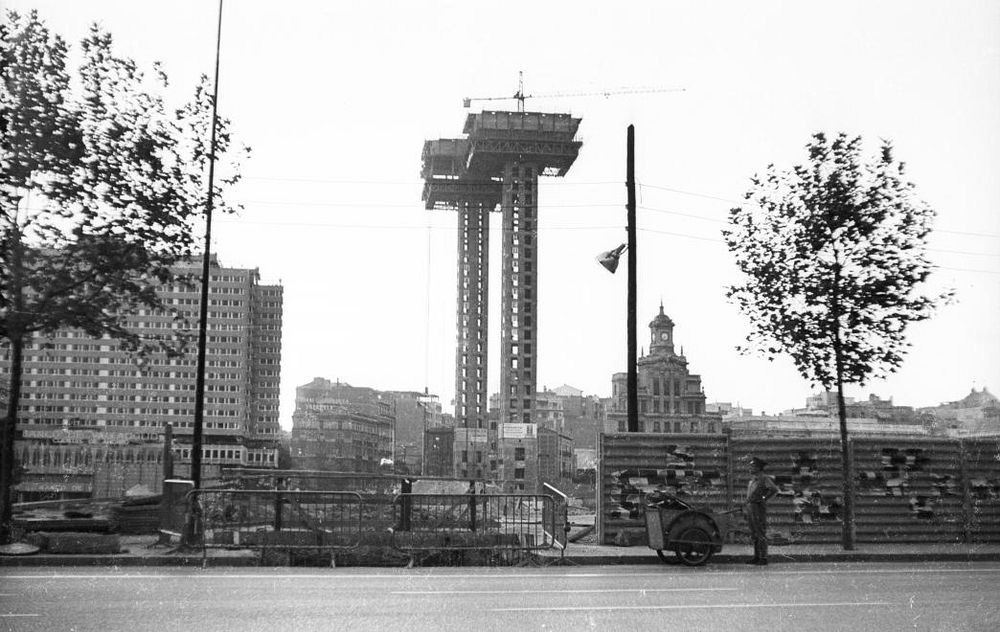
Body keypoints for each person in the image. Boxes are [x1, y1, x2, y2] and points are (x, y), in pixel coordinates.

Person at [745, 456, 779, 565]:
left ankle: (763, 558)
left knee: (760, 533)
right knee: (754, 533)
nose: (750, 467)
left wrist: (764, 498)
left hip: (758, 508)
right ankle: (756, 556)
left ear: (759, 468)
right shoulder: (753, 480)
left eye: (753, 466)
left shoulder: (764, 478)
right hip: (751, 508)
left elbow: (774, 489)